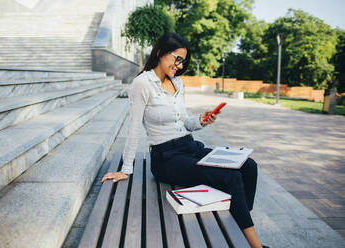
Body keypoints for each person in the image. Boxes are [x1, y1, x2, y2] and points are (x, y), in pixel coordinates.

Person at [101, 32, 268, 248]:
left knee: (248, 166)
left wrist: (202, 120)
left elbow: (183, 123)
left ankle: (239, 224)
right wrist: (126, 168)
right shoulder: (143, 83)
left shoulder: (178, 84)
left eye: (183, 61)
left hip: (189, 146)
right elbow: (133, 128)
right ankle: (256, 245)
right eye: (177, 59)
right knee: (231, 178)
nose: (179, 65)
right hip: (166, 157)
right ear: (160, 52)